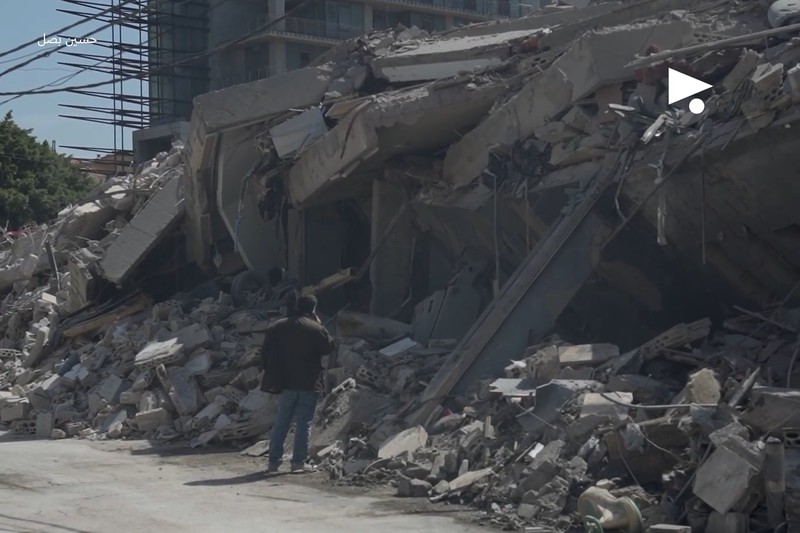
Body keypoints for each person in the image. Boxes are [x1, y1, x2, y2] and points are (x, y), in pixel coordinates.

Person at [261, 294, 335, 474]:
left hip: (284, 382)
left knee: (281, 422)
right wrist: (319, 325)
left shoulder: (276, 326)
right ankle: (298, 463)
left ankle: (273, 463)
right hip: (308, 383)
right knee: (304, 423)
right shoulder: (314, 328)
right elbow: (329, 348)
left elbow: (264, 354)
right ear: (313, 309)